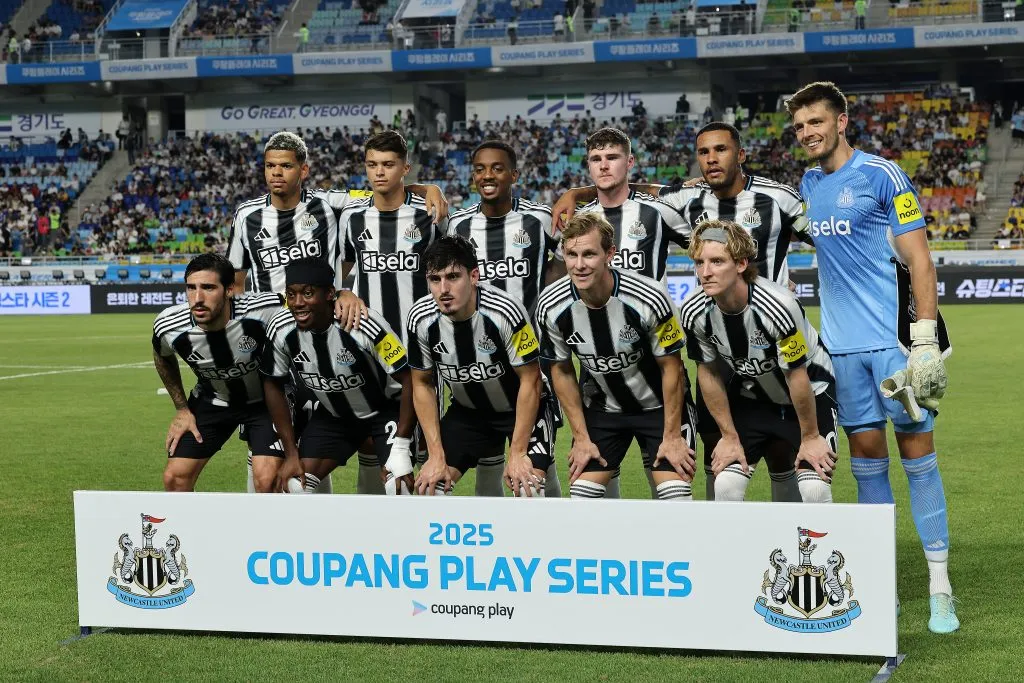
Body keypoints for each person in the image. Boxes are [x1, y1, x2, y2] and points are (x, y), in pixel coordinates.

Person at [788, 81, 957, 633]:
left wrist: (925, 338)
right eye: (799, 127)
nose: (807, 133)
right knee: (867, 468)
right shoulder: (809, 182)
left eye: (816, 122)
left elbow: (920, 260)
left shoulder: (883, 175)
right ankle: (883, 586)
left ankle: (940, 586)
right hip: (844, 352)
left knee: (918, 460)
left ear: (841, 121)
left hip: (891, 347)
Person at [228, 131, 445, 495]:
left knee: (384, 453)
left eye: (286, 166)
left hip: (348, 343)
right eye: (270, 166)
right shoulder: (247, 215)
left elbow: (386, 187)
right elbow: (235, 282)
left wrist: (430, 189)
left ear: (304, 170)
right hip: (277, 347)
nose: (277, 173)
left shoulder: (330, 205)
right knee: (268, 459)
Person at [548, 127, 694, 498]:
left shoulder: (660, 212)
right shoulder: (576, 221)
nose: (604, 165)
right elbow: (556, 279)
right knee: (595, 486)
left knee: (666, 483)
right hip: (601, 373)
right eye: (596, 159)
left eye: (612, 157)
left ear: (629, 162)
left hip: (655, 360)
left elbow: (708, 249)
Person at [680, 220, 836, 504]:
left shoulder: (778, 306)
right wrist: (728, 436)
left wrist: (811, 437)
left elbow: (797, 376)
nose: (705, 272)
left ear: (740, 264)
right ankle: (733, 549)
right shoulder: (693, 311)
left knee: (815, 488)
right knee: (725, 483)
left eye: (716, 261)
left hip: (810, 391)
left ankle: (816, 548)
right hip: (752, 392)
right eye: (699, 262)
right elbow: (709, 374)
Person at [448, 140, 566, 497]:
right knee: (489, 458)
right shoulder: (459, 225)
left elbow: (560, 264)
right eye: (480, 169)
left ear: (514, 174)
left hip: (529, 363)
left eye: (497, 168)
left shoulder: (539, 219)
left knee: (532, 474)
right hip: (478, 363)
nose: (488, 175)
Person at [335, 131, 448, 486]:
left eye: (388, 164)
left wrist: (430, 188)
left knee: (426, 453)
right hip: (368, 348)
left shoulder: (428, 217)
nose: (379, 172)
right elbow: (340, 268)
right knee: (373, 449)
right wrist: (343, 290)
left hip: (419, 348)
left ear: (405, 168)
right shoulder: (351, 217)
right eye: (372, 165)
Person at [408, 236, 550, 497]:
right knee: (430, 489)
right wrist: (436, 456)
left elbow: (531, 380)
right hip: (468, 412)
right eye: (435, 279)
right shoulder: (420, 318)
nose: (444, 289)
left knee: (529, 486)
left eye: (453, 276)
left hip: (520, 407)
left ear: (474, 276)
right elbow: (421, 383)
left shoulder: (505, 311)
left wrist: (517, 453)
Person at [262, 258, 416, 495]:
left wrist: (401, 447)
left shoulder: (363, 323)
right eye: (291, 295)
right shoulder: (281, 328)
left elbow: (409, 379)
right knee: (294, 485)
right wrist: (291, 453)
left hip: (384, 411)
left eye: (308, 293)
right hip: (335, 416)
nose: (298, 303)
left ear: (329, 294)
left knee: (399, 485)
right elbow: (272, 384)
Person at [152, 254, 284, 492]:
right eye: (191, 288)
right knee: (175, 478)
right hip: (212, 401)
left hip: (266, 403)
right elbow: (162, 355)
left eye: (208, 288)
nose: (198, 298)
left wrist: (342, 296)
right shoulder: (169, 325)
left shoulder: (264, 310)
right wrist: (182, 409)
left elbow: (308, 301)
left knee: (267, 481)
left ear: (229, 289)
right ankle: (188, 530)